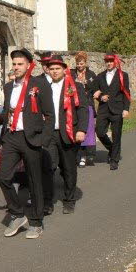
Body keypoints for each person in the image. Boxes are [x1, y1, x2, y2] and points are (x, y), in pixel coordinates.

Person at [0, 48, 54, 239]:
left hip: (32, 138)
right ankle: (17, 213)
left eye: (20, 64)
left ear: (28, 65)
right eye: (14, 64)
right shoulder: (8, 87)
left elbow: (49, 115)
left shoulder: (38, 84)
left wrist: (44, 140)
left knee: (34, 180)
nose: (16, 67)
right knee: (3, 176)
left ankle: (36, 221)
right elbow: (8, 113)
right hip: (12, 137)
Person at [42, 55, 88, 214]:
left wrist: (82, 129)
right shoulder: (44, 87)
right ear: (48, 70)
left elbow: (83, 108)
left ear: (64, 69)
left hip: (69, 133)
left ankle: (69, 199)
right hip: (49, 134)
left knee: (69, 169)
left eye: (57, 69)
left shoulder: (75, 86)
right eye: (51, 69)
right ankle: (47, 202)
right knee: (48, 168)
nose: (54, 72)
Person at [94, 54, 131, 171]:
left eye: (110, 61)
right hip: (104, 109)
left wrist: (126, 109)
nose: (108, 63)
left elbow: (126, 93)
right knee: (99, 132)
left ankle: (114, 160)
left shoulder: (123, 75)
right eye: (107, 61)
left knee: (116, 135)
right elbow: (95, 92)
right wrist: (100, 97)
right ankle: (111, 149)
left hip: (117, 109)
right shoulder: (100, 76)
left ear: (115, 62)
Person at [71, 52, 98, 167]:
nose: (79, 65)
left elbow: (96, 88)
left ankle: (88, 154)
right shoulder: (72, 74)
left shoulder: (91, 75)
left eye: (81, 63)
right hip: (75, 105)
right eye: (77, 63)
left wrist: (96, 92)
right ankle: (79, 155)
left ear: (85, 63)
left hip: (88, 104)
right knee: (77, 129)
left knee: (88, 130)